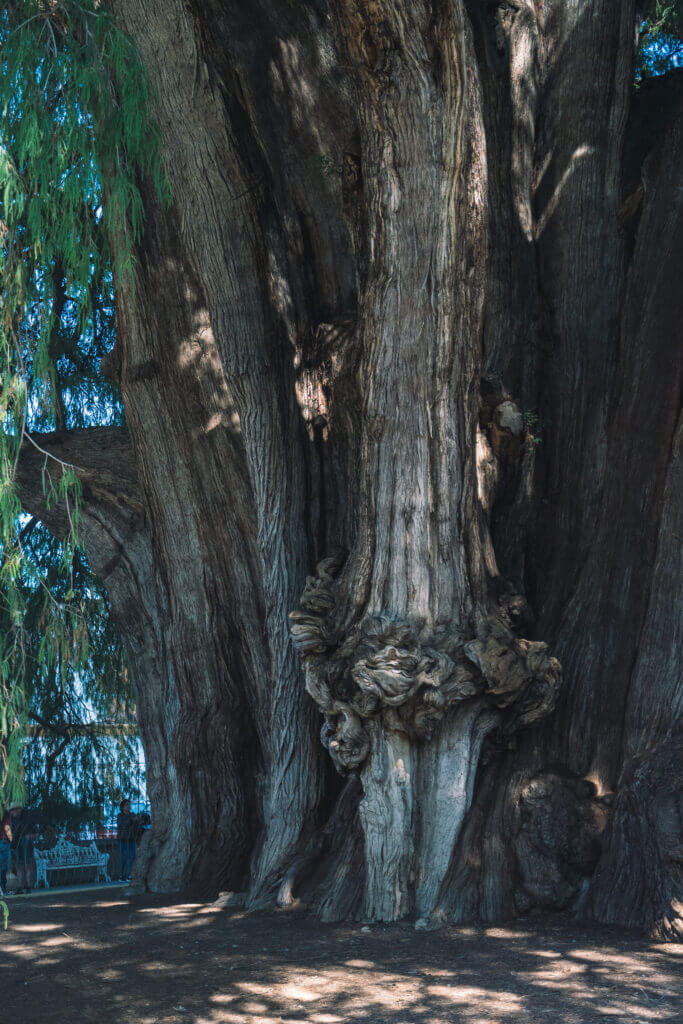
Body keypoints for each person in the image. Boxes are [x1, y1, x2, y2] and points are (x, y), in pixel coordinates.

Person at [9, 804, 41, 894]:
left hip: (26, 844)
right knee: (19, 865)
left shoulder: (28, 819)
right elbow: (11, 833)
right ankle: (20, 887)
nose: (12, 812)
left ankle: (28, 887)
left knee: (27, 864)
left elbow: (37, 833)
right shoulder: (13, 820)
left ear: (19, 810)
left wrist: (30, 836)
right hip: (17, 845)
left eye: (13, 810)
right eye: (11, 811)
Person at [116, 799, 139, 881]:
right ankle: (122, 876)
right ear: (122, 807)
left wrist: (137, 820)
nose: (129, 806)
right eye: (126, 805)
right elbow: (122, 824)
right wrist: (131, 820)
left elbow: (136, 825)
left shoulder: (133, 815)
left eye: (129, 804)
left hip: (131, 839)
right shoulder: (120, 816)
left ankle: (130, 875)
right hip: (123, 839)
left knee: (132, 857)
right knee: (123, 858)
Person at [0, 811, 11, 894]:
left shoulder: (6, 815)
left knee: (3, 867)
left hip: (4, 841)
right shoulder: (6, 815)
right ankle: (3, 888)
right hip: (3, 841)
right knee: (3, 867)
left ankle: (3, 887)